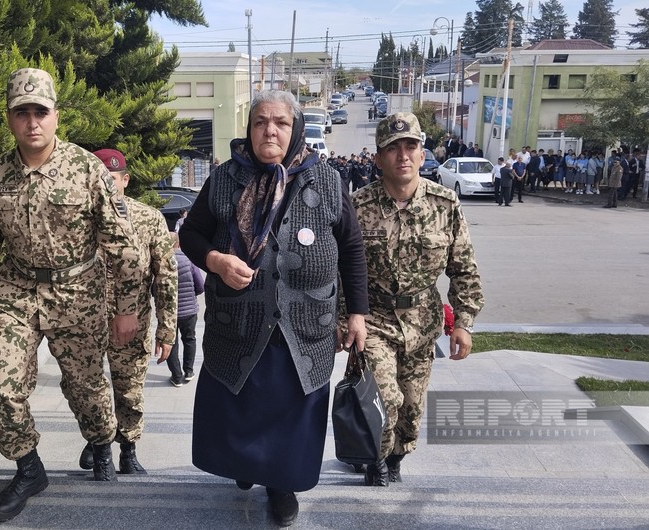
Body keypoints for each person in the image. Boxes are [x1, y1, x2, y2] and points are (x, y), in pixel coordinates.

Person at [179, 89, 369, 528]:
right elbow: (191, 235)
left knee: (290, 411)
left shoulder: (326, 179)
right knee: (242, 403)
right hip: (240, 323)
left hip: (305, 326)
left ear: (295, 128)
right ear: (249, 128)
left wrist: (356, 315)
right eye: (261, 121)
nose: (270, 130)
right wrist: (215, 260)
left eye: (281, 122)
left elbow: (352, 248)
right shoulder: (226, 177)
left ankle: (282, 488)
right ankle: (247, 468)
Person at [0, 68, 143, 522]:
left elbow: (122, 245)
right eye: (22, 113)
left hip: (77, 289)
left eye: (40, 111)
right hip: (15, 288)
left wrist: (127, 310)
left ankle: (101, 444)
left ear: (56, 116)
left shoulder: (86, 170)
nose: (32, 122)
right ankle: (28, 467)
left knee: (86, 387)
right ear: (9, 119)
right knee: (0, 387)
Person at [350, 112, 484, 487]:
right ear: (378, 158)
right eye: (392, 148)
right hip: (375, 316)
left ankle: (396, 454)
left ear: (423, 155)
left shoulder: (445, 204)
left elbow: (464, 269)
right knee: (386, 398)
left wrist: (463, 324)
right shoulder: (357, 206)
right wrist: (346, 319)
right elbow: (343, 270)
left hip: (423, 321)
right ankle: (375, 458)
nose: (402, 155)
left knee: (411, 405)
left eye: (411, 146)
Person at [77, 148, 177, 476]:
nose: (107, 186)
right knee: (83, 387)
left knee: (129, 389)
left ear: (126, 180)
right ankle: (98, 441)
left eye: (113, 180)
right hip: (83, 323)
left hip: (131, 324)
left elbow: (166, 276)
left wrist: (167, 330)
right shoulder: (75, 222)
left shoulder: (148, 219)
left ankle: (128, 450)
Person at [166, 232, 204, 386]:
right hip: (189, 311)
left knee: (171, 342)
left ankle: (176, 376)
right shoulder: (189, 261)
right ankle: (188, 371)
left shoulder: (162, 262)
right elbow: (200, 287)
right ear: (179, 244)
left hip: (169, 313)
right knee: (189, 339)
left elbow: (154, 290)